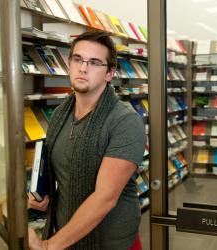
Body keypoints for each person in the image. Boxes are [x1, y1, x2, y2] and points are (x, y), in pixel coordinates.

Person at [28, 30, 147, 249]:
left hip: (111, 244)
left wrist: (48, 246)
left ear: (109, 73)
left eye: (94, 62)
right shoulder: (61, 114)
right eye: (78, 59)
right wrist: (44, 196)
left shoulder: (125, 122)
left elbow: (105, 198)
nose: (83, 68)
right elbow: (62, 172)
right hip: (68, 237)